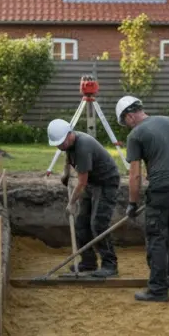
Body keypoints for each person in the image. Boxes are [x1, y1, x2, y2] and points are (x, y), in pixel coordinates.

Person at [117, 96, 169, 302]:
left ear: (129, 116)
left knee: (156, 237)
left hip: (161, 189)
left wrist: (132, 203)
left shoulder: (136, 135)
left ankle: (157, 290)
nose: (127, 127)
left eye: (125, 122)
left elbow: (135, 175)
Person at [47, 118, 120, 277]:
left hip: (106, 182)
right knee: (81, 223)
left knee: (98, 223)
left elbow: (82, 182)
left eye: (61, 143)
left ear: (69, 134)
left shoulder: (83, 146)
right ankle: (88, 262)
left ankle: (110, 265)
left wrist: (72, 203)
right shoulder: (69, 143)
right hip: (92, 182)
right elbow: (68, 158)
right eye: (57, 144)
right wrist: (66, 174)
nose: (60, 146)